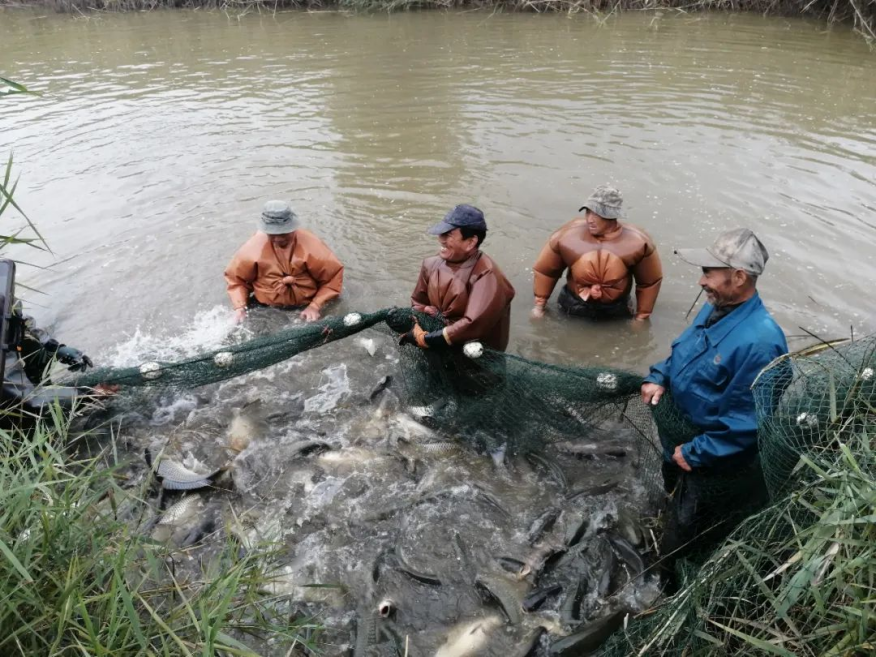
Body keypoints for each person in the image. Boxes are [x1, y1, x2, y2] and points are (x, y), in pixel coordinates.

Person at [640, 228, 788, 568]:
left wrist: (696, 452)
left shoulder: (762, 344)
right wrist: (659, 376)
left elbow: (749, 425)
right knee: (670, 498)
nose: (700, 281)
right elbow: (685, 351)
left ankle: (669, 575)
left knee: (686, 531)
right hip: (682, 441)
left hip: (710, 460)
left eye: (709, 273)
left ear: (738, 277)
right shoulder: (716, 305)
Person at [531, 184, 662, 321]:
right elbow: (546, 271)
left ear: (611, 216)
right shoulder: (567, 236)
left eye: (597, 214)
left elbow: (649, 282)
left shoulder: (638, 242)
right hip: (573, 304)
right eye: (588, 212)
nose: (589, 219)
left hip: (616, 309)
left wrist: (642, 316)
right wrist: (539, 306)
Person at [400, 204, 515, 352]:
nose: (440, 239)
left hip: (475, 357)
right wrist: (423, 311)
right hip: (436, 346)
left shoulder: (487, 275)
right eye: (441, 233)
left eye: (448, 234)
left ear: (471, 242)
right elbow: (417, 302)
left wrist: (427, 339)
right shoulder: (430, 264)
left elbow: (473, 324)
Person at [0, 258, 98, 417]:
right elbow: (26, 400)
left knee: (34, 347)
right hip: (13, 405)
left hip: (22, 385)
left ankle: (44, 387)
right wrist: (88, 395)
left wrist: (55, 348)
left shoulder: (3, 299)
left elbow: (23, 325)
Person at [225, 201, 344, 323]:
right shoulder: (251, 249)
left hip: (307, 304)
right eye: (272, 234)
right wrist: (240, 307)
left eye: (283, 233)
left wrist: (315, 306)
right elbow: (237, 280)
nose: (278, 238)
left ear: (293, 227)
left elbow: (332, 278)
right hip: (265, 306)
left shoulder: (313, 246)